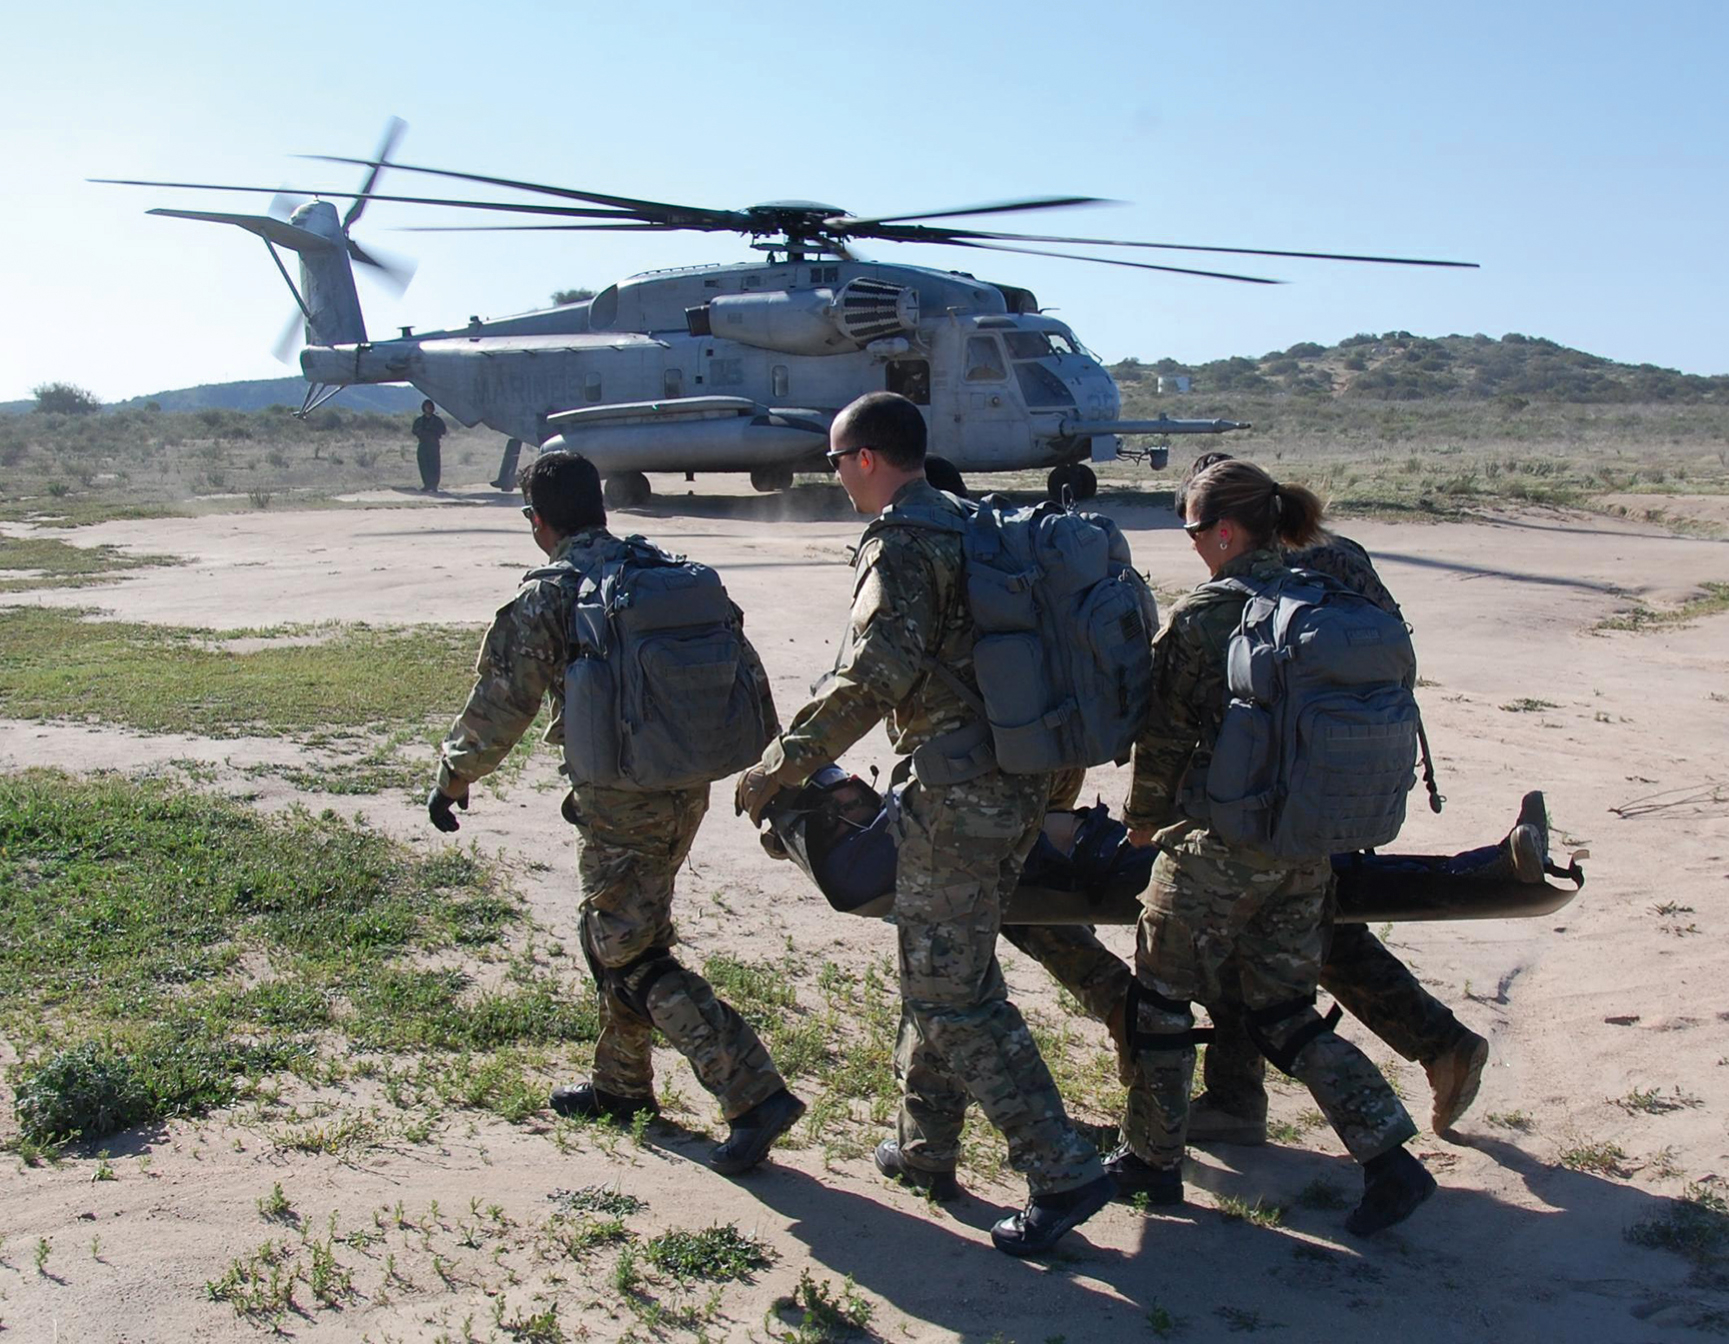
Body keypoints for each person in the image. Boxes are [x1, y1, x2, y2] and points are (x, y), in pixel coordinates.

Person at [736, 391, 1113, 1257]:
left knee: (950, 989)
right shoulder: (975, 525)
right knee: (941, 959)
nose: (832, 477)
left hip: (960, 794)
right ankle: (924, 1145)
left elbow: (872, 678)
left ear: (866, 457)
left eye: (834, 462)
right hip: (1017, 783)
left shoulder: (905, 539)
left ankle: (1061, 1170)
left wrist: (781, 765)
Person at [428, 450, 805, 1175]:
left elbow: (502, 700)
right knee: (613, 929)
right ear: (598, 506)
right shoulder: (656, 568)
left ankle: (752, 1093)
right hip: (683, 780)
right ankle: (620, 1086)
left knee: (626, 948)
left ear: (537, 522)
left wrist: (455, 775)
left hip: (622, 798)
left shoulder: (552, 591)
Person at [1112, 457, 1435, 1235]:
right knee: (1283, 1011)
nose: (1189, 544)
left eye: (1191, 529)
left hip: (1219, 845)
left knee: (1157, 1000)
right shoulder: (1330, 585)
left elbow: (1164, 735)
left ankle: (1150, 1166)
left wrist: (1143, 819)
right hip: (1307, 842)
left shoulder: (1207, 613)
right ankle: (1389, 1159)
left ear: (1223, 530)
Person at [412, 399, 447, 492]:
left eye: (430, 407)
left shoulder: (437, 420)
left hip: (433, 445)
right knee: (424, 465)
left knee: (434, 465)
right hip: (423, 444)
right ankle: (427, 484)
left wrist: (433, 431)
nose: (429, 408)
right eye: (427, 407)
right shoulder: (419, 420)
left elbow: (443, 431)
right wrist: (422, 432)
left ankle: (434, 485)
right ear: (424, 408)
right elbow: (414, 430)